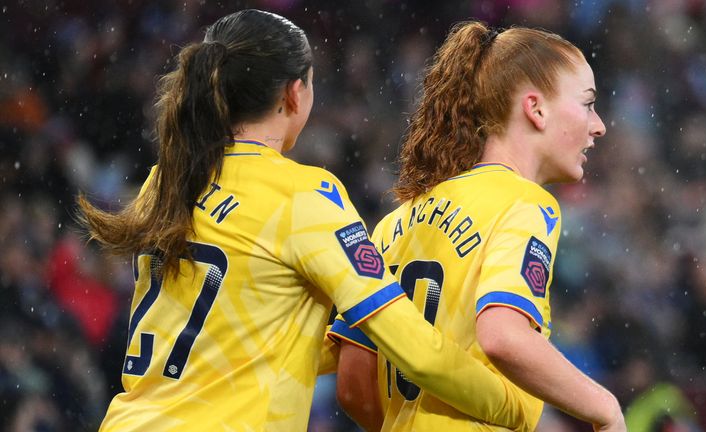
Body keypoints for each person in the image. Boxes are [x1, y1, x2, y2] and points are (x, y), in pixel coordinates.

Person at [77, 10, 530, 432]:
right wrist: (516, 407)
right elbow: (414, 349)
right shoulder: (303, 195)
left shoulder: (165, 180)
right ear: (295, 93)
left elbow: (237, 339)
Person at [330, 22, 626, 431]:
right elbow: (504, 336)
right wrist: (605, 408)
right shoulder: (526, 204)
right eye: (588, 104)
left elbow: (352, 384)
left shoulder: (393, 223)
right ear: (536, 109)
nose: (599, 126)